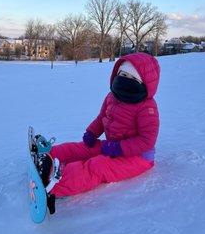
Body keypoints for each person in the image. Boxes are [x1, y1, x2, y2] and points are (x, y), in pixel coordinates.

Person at [40, 52, 160, 199]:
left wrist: (119, 148)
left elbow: (147, 141)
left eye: (132, 78)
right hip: (113, 145)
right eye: (123, 74)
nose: (125, 80)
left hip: (138, 157)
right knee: (83, 148)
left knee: (98, 166)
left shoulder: (147, 108)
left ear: (144, 83)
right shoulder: (112, 96)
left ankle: (55, 185)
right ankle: (48, 155)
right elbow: (102, 118)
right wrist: (91, 133)